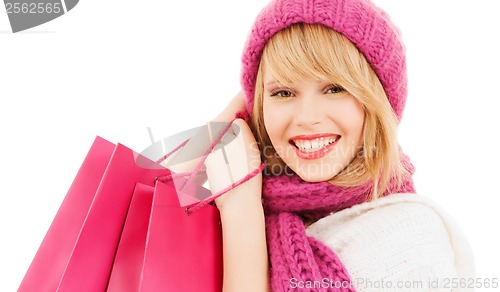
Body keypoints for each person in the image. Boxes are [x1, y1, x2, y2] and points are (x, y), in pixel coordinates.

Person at [201, 0, 475, 291]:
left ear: (377, 100)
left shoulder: (408, 239)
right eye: (283, 92)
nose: (307, 118)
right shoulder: (252, 191)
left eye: (335, 89)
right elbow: (161, 183)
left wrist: (241, 213)